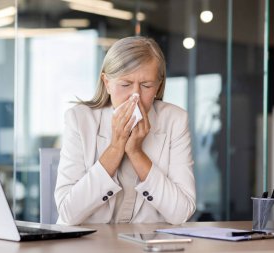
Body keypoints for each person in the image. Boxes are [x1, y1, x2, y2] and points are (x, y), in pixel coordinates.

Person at [54, 36, 196, 225]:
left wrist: (136, 152)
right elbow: (68, 213)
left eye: (146, 85)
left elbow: (181, 213)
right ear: (107, 83)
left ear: (158, 87)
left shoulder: (175, 121)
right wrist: (116, 147)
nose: (135, 95)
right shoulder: (79, 120)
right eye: (125, 84)